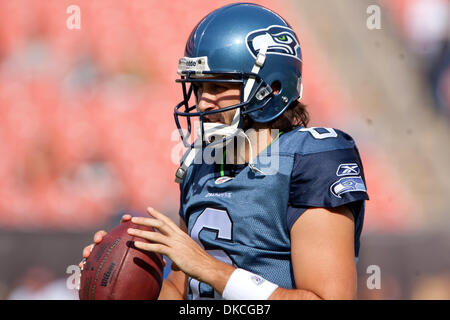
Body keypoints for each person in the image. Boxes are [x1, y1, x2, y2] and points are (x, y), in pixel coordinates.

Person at [80, 3, 368, 300]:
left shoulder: (312, 160)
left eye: (218, 87)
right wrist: (121, 280)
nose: (204, 103)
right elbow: (183, 295)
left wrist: (209, 269)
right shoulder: (201, 165)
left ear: (271, 86)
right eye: (199, 87)